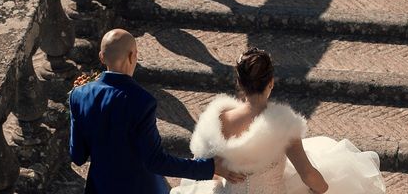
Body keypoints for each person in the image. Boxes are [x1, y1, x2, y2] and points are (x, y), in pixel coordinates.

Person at [171, 48, 386, 194]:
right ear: (271, 83)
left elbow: (205, 165)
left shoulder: (219, 119)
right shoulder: (282, 125)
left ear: (239, 82)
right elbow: (308, 174)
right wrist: (326, 190)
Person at [69, 28, 246, 194]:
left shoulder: (79, 95)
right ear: (132, 56)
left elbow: (77, 156)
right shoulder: (141, 101)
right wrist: (210, 167)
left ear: (101, 57)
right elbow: (156, 161)